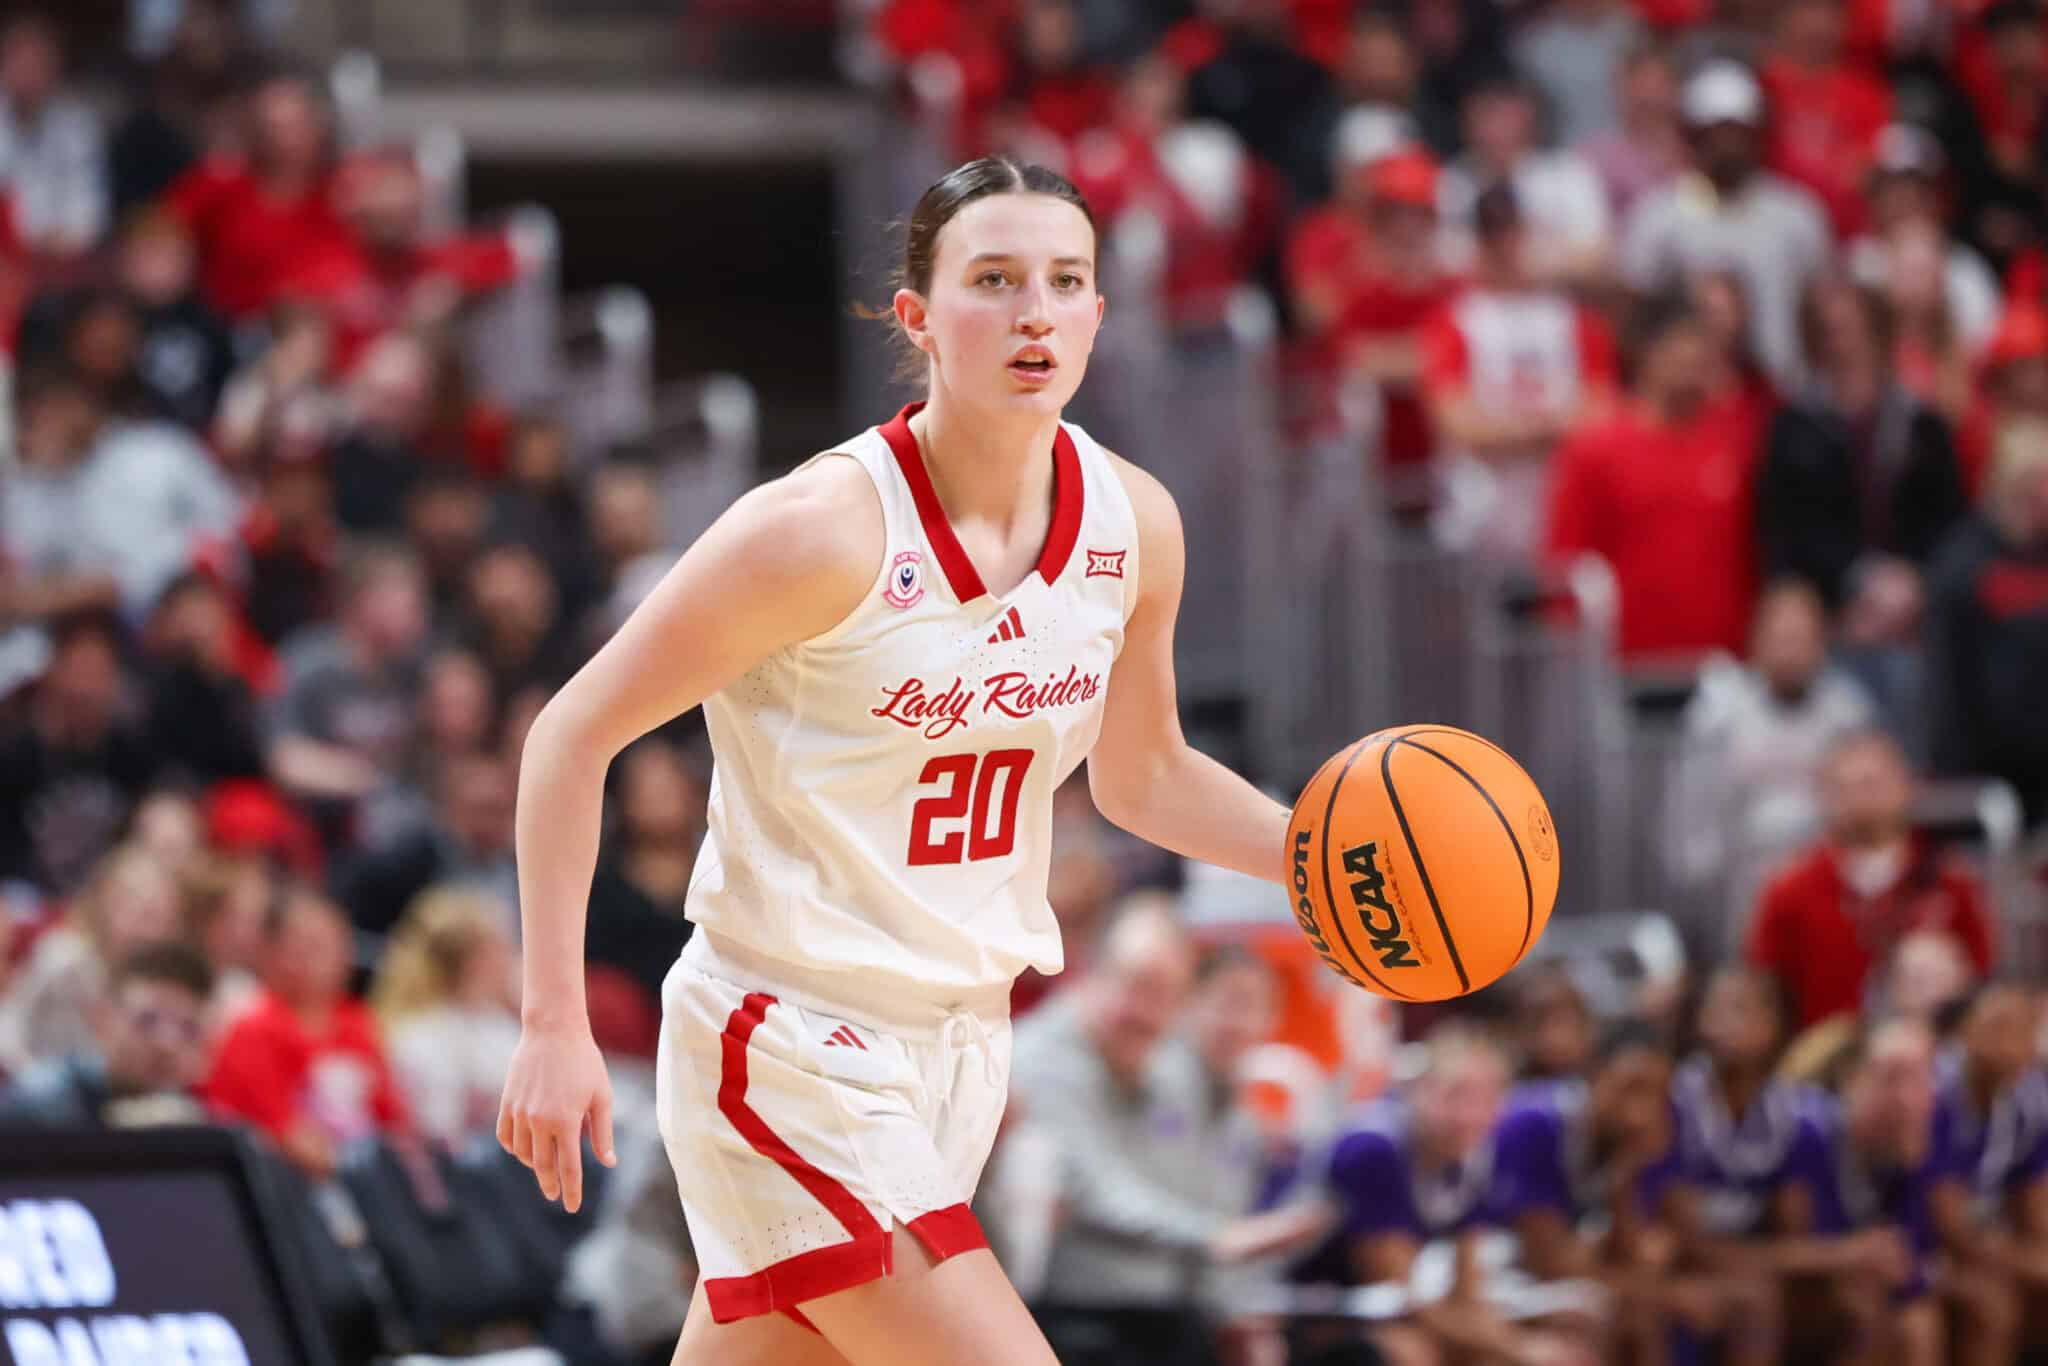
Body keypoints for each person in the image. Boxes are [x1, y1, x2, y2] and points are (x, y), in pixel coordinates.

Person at [495, 156, 1302, 1366]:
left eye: (1063, 281)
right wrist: (553, 1019)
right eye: (993, 279)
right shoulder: (818, 531)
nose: (1034, 310)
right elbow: (571, 733)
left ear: (1094, 316)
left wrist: (1317, 858)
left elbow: (1143, 777)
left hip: (958, 1048)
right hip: (786, 1039)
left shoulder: (1133, 525)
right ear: (916, 315)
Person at [1746, 730, 1996, 1030]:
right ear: (1823, 796)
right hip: (1822, 1058)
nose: (1862, 798)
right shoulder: (1790, 890)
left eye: (1872, 783)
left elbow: (1981, 974)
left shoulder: (1951, 880)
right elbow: (1766, 989)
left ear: (1906, 785)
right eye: (1845, 787)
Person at [0, 940, 215, 1130]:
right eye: (147, 1020)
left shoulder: (193, 1121)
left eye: (189, 1030)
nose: (167, 1043)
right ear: (102, 1019)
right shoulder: (36, 1106)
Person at [370, 885, 520, 1151]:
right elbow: (435, 1128)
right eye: (503, 949)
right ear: (475, 960)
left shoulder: (501, 1025)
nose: (512, 959)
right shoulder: (418, 1034)